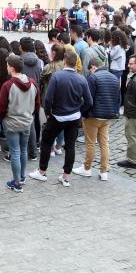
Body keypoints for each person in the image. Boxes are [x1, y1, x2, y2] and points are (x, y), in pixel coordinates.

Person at [29, 51, 92, 187]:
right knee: (70, 146)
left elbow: (48, 98)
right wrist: (79, 111)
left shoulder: (57, 76)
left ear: (64, 61)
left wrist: (47, 113)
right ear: (76, 63)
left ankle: (42, 171)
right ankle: (66, 176)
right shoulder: (82, 79)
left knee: (46, 142)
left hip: (57, 116)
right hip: (74, 117)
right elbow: (89, 101)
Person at [0, 55, 38, 193]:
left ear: (12, 68)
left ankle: (16, 183)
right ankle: (21, 176)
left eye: (8, 65)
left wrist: (4, 118)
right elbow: (37, 105)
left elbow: (1, 107)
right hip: (27, 121)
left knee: (15, 151)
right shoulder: (32, 83)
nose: (7, 67)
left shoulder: (7, 85)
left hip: (12, 122)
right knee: (23, 149)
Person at [73, 58, 119, 180]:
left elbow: (88, 99)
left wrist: (83, 113)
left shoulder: (93, 78)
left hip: (93, 116)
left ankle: (87, 168)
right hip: (107, 116)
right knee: (104, 143)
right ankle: (104, 171)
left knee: (90, 143)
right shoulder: (114, 78)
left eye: (90, 70)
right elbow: (117, 98)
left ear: (93, 67)